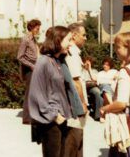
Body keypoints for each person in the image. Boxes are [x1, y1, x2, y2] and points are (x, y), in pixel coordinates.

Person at [28, 26, 84, 157]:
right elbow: (36, 94)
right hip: (51, 123)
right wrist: (55, 116)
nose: (71, 43)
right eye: (69, 40)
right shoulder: (43, 62)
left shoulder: (57, 61)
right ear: (58, 40)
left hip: (60, 120)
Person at [17, 19, 41, 124]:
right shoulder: (26, 39)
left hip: (35, 68)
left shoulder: (33, 39)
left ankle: (32, 115)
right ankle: (27, 118)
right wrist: (31, 66)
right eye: (37, 28)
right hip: (29, 70)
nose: (39, 29)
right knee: (29, 93)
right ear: (31, 27)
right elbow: (20, 57)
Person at [81, 56, 103, 121]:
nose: (87, 64)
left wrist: (89, 69)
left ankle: (98, 115)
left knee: (98, 92)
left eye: (89, 62)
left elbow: (95, 80)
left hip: (91, 87)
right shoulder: (80, 70)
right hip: (82, 86)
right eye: (86, 62)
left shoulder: (94, 71)